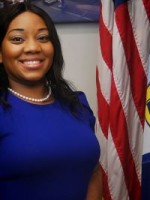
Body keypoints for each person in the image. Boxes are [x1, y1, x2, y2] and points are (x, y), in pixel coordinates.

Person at [0, 1, 102, 200]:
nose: (33, 47)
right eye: (17, 39)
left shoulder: (77, 103)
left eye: (43, 38)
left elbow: (94, 172)